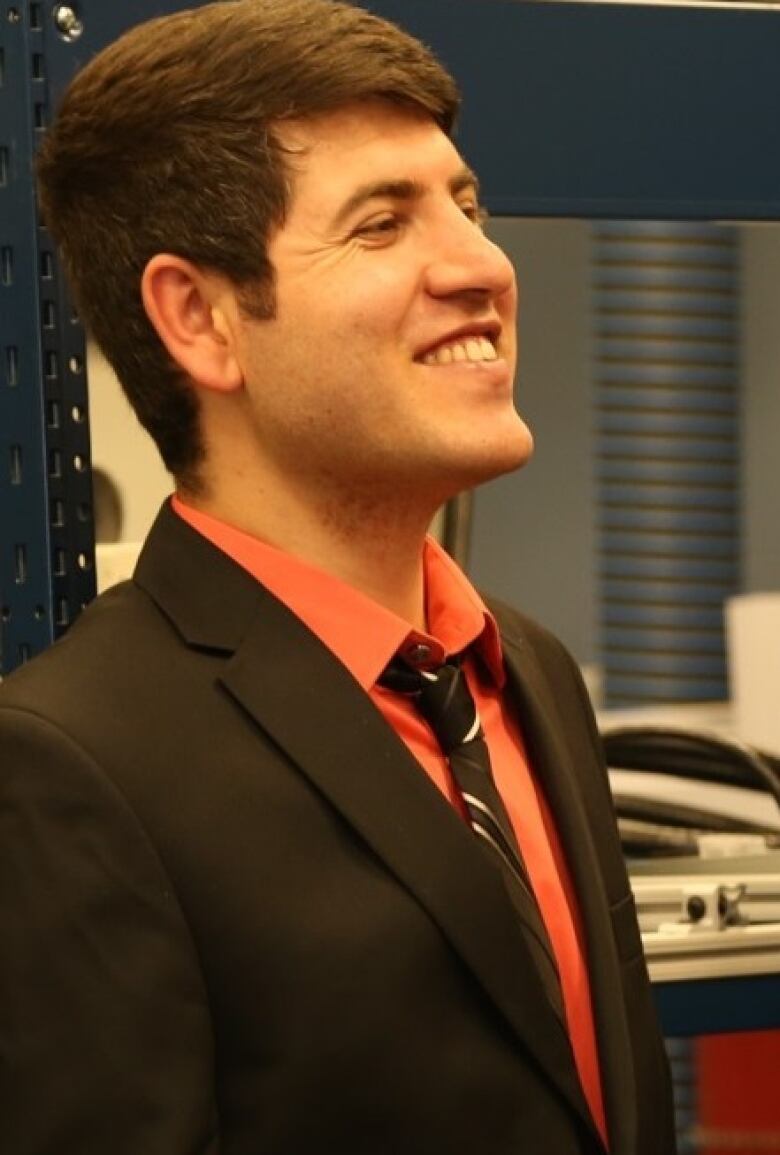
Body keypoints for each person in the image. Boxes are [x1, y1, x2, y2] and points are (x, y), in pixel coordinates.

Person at [0, 2, 676, 1152]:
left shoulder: (525, 674)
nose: (481, 266)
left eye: (466, 206)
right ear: (201, 319)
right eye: (381, 226)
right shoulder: (69, 768)